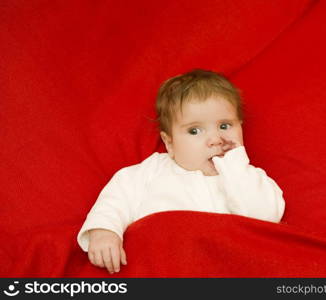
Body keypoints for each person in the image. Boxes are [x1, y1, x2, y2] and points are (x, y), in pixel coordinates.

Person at [77, 69, 285, 274]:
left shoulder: (249, 177)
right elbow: (116, 200)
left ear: (240, 127)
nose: (215, 139)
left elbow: (266, 218)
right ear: (170, 143)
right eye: (194, 130)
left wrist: (236, 167)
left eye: (224, 126)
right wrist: (105, 231)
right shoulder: (151, 171)